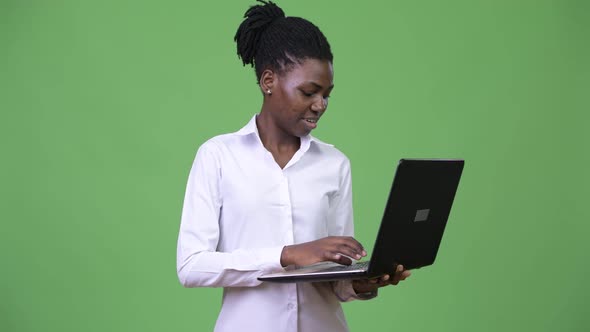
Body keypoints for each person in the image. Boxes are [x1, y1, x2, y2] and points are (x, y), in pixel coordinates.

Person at [176, 1, 411, 331]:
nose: (320, 105)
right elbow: (191, 266)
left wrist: (361, 283)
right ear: (268, 81)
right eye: (309, 91)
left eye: (326, 94)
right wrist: (287, 255)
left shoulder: (335, 164)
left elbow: (337, 278)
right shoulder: (217, 156)